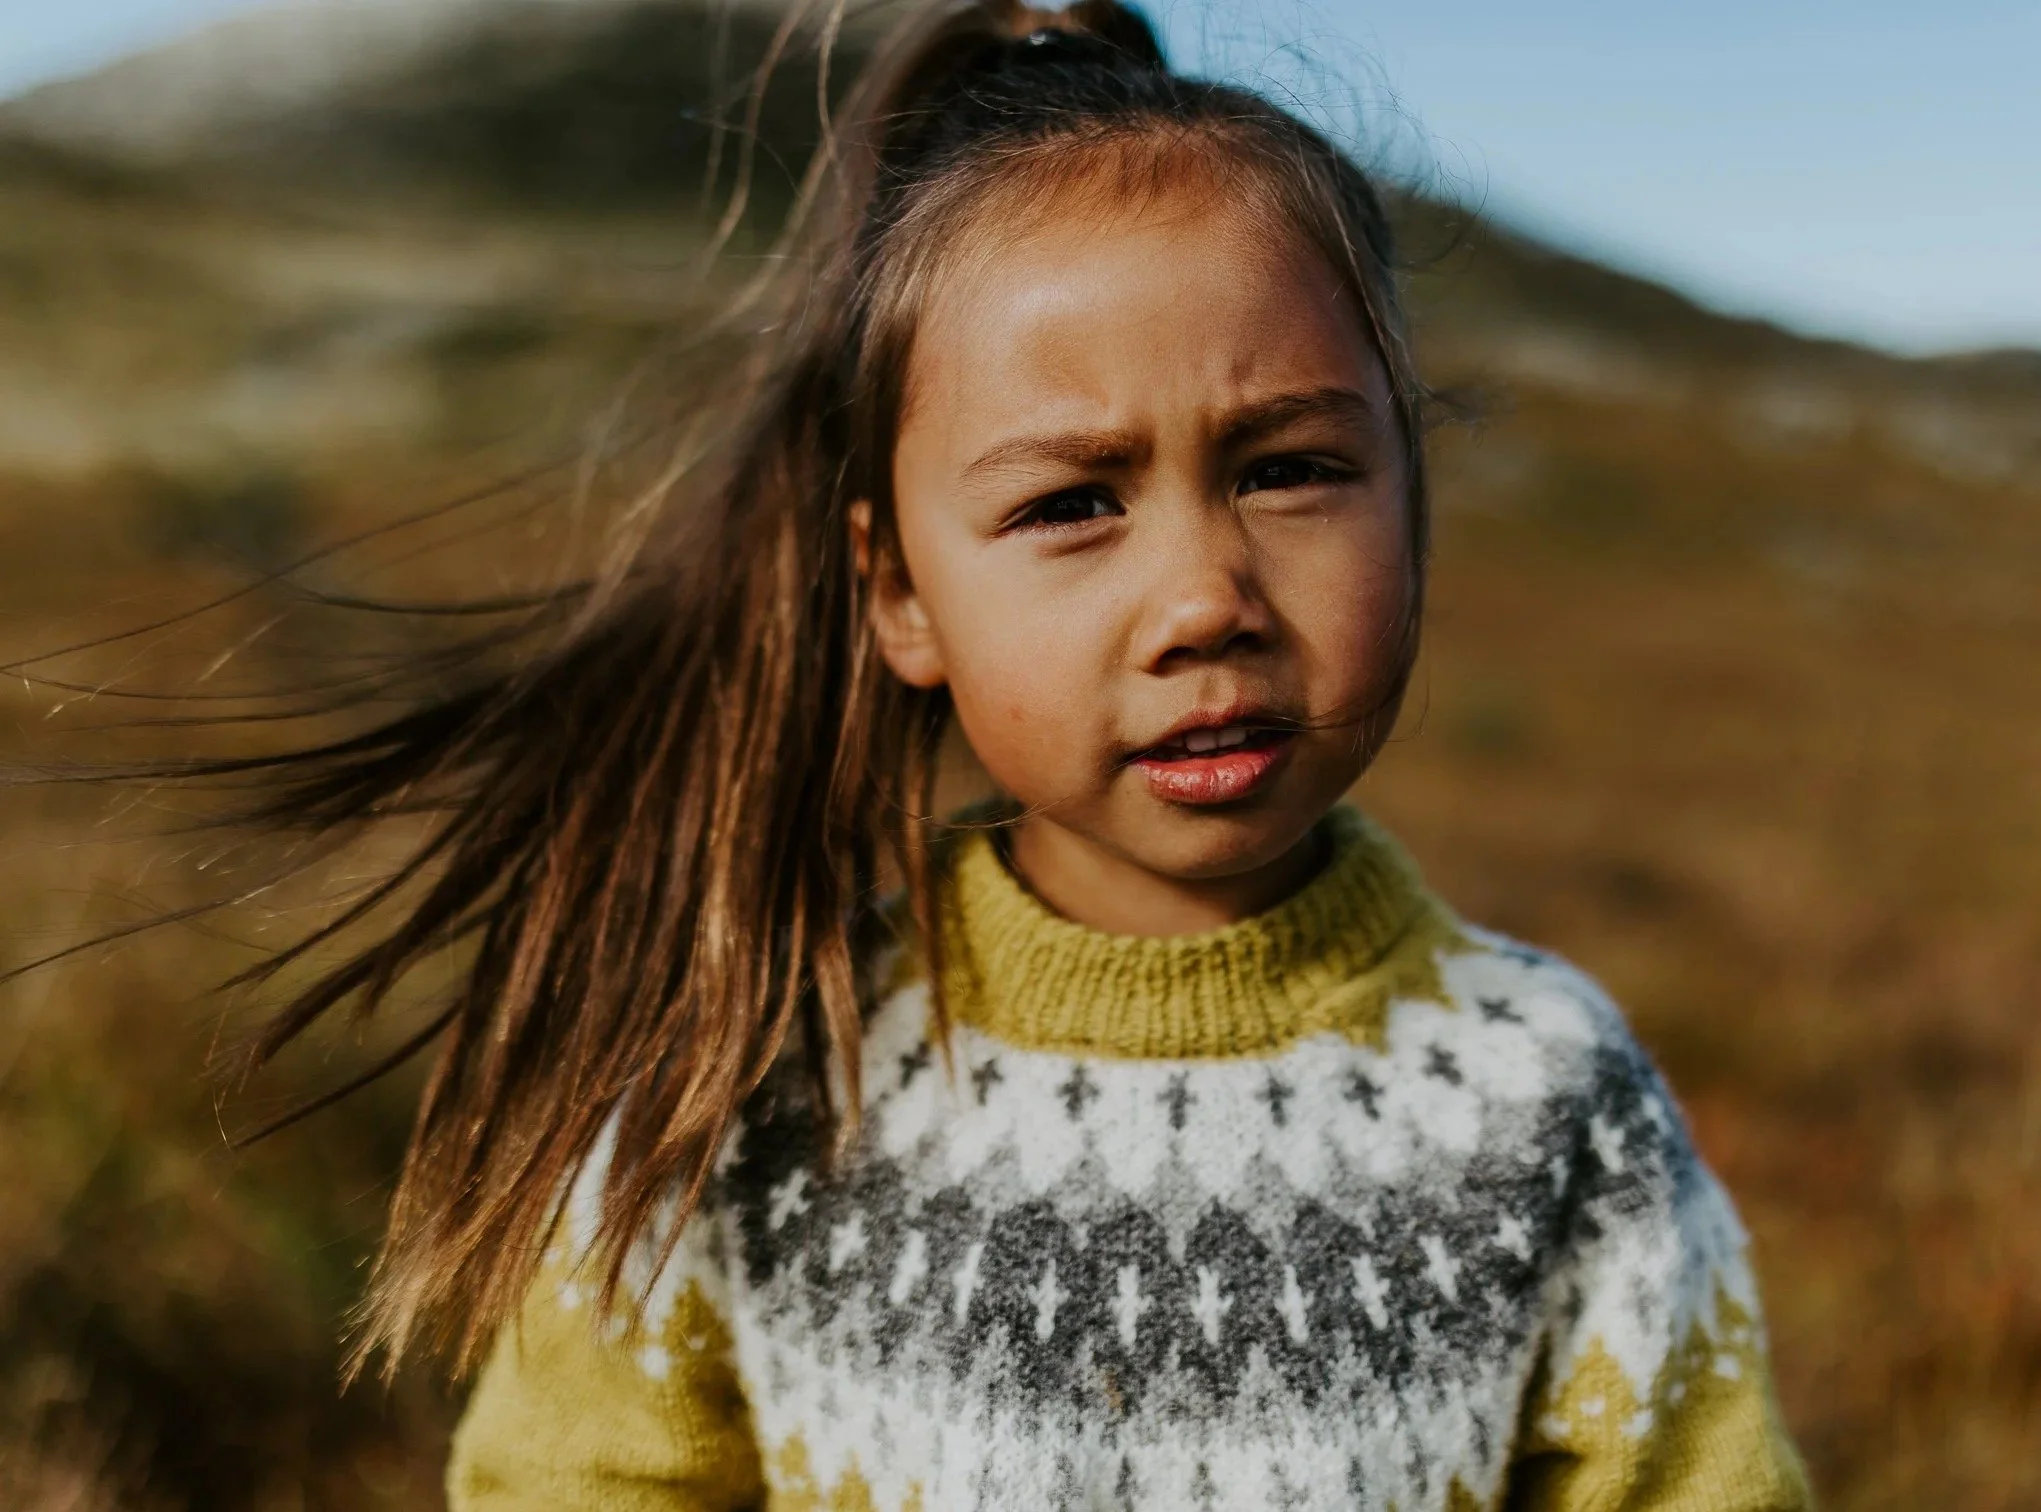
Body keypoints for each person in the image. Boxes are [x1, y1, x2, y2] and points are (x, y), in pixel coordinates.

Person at [189, 1, 1812, 1505]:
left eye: (1291, 468)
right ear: (899, 593)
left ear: (1415, 497)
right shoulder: (755, 1069)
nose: (1202, 598)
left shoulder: (1551, 1098)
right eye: (1069, 504)